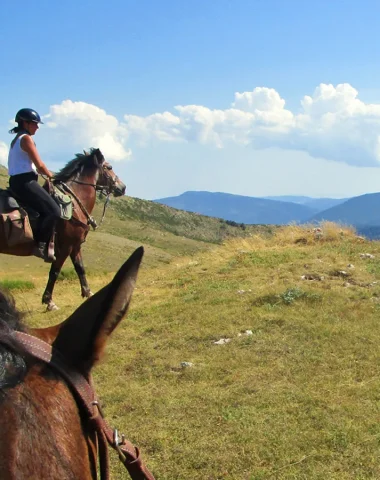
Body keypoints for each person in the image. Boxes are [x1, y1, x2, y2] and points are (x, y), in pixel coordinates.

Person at [8, 108, 61, 262]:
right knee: (54, 211)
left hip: (18, 181)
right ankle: (41, 245)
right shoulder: (26, 139)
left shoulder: (16, 139)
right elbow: (39, 165)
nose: (37, 127)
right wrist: (53, 177)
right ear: (25, 123)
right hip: (25, 182)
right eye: (35, 124)